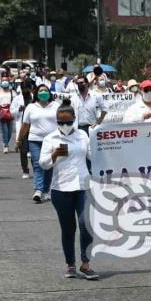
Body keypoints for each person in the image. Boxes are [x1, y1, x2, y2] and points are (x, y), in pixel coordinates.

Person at [38, 101, 99, 280]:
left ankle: (86, 263)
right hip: (61, 188)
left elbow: (92, 155)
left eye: (68, 122)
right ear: (56, 121)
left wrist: (104, 141)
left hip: (83, 185)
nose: (65, 126)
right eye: (61, 122)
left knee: (86, 224)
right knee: (68, 228)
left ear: (74, 120)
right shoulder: (51, 138)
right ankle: (70, 264)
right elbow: (43, 164)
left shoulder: (83, 135)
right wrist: (54, 154)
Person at [17, 84, 59, 202]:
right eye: (41, 91)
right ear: (36, 93)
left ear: (49, 93)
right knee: (38, 164)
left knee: (49, 165)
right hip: (35, 140)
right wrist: (19, 139)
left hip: (52, 141)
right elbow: (25, 125)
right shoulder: (30, 107)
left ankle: (46, 190)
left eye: (45, 90)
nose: (43, 92)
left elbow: (62, 121)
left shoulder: (55, 106)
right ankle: (38, 190)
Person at [11, 78, 33, 179]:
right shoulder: (17, 98)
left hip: (33, 127)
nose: (25, 91)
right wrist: (18, 110)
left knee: (34, 150)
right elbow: (12, 112)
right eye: (23, 88)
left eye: (27, 88)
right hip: (23, 126)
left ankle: (36, 168)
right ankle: (25, 170)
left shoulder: (34, 97)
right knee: (23, 150)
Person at [0, 78, 15, 153]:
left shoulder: (12, 92)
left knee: (9, 131)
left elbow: (15, 102)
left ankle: (6, 142)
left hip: (10, 112)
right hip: (1, 111)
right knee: (4, 130)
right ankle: (5, 145)